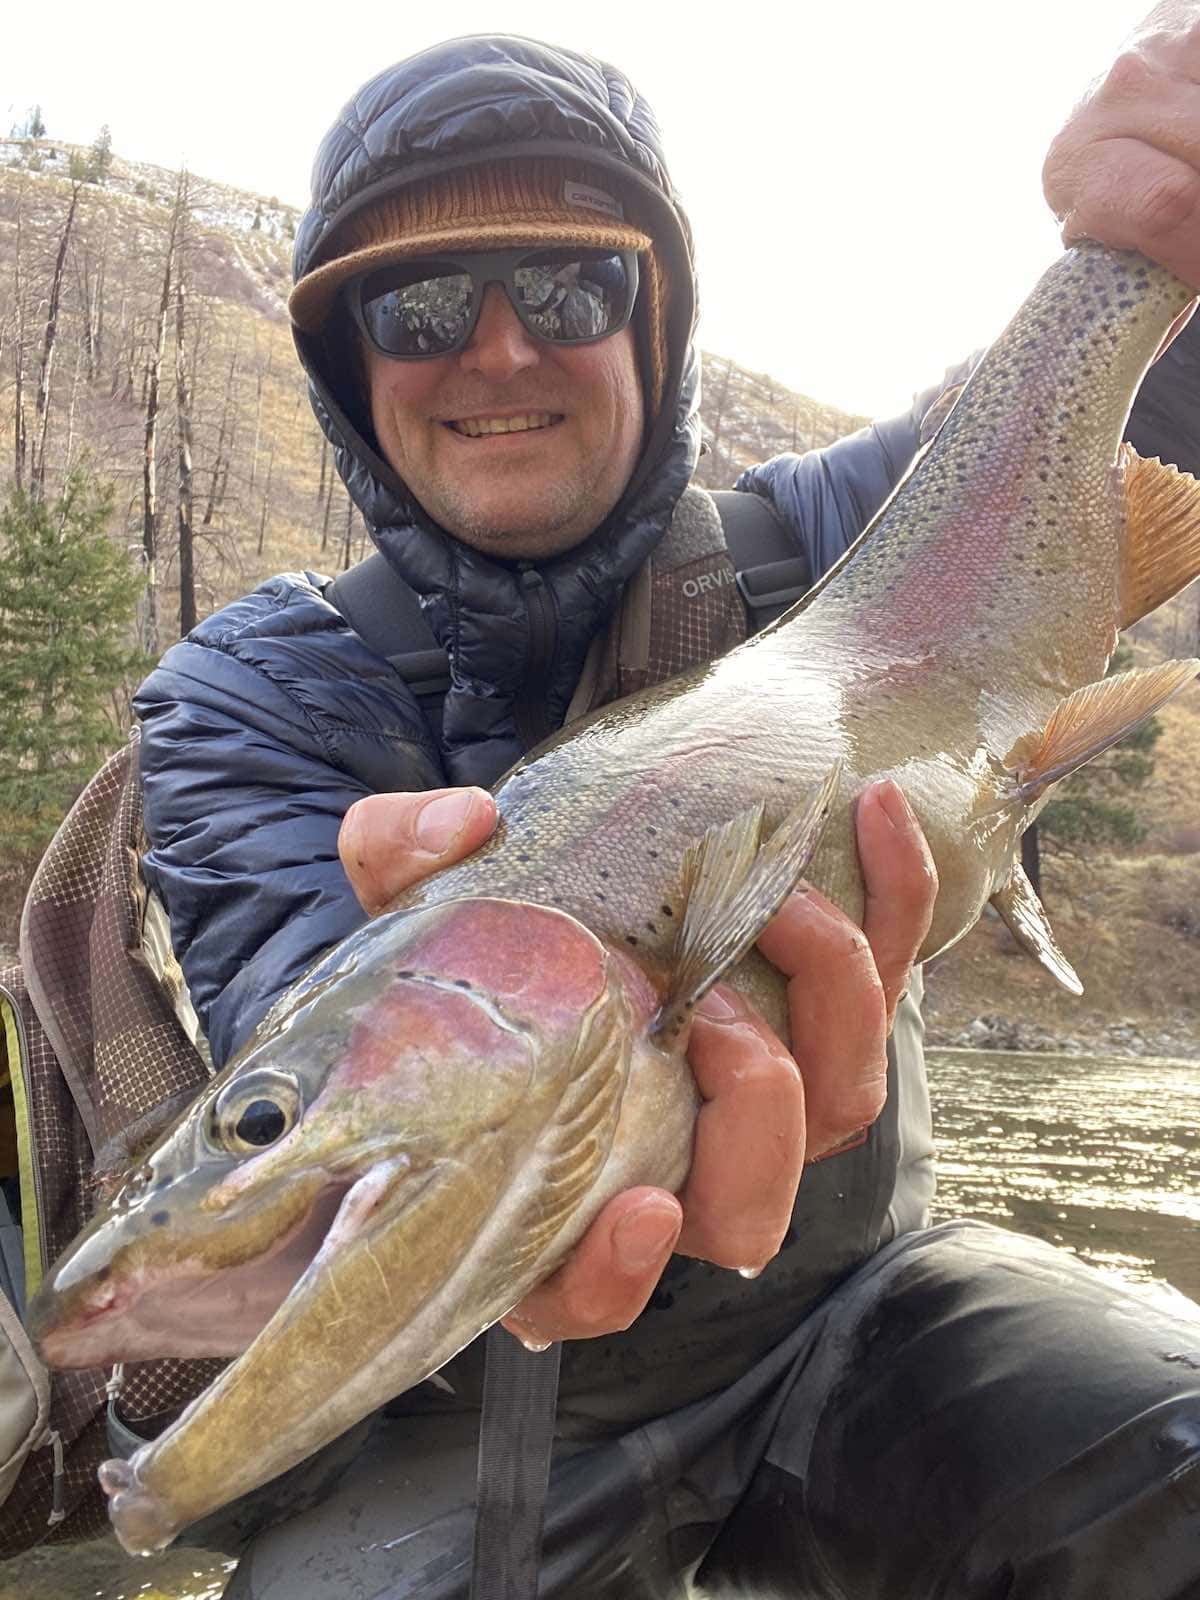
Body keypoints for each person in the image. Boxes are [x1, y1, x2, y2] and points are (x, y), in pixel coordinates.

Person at [130, 11, 1200, 1597]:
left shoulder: (848, 541)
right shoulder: (244, 694)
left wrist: (1150, 235)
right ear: (351, 365)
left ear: (658, 320)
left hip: (857, 1324)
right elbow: (293, 1033)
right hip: (446, 1396)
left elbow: (1118, 435)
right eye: (419, 304)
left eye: (572, 287)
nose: (499, 349)